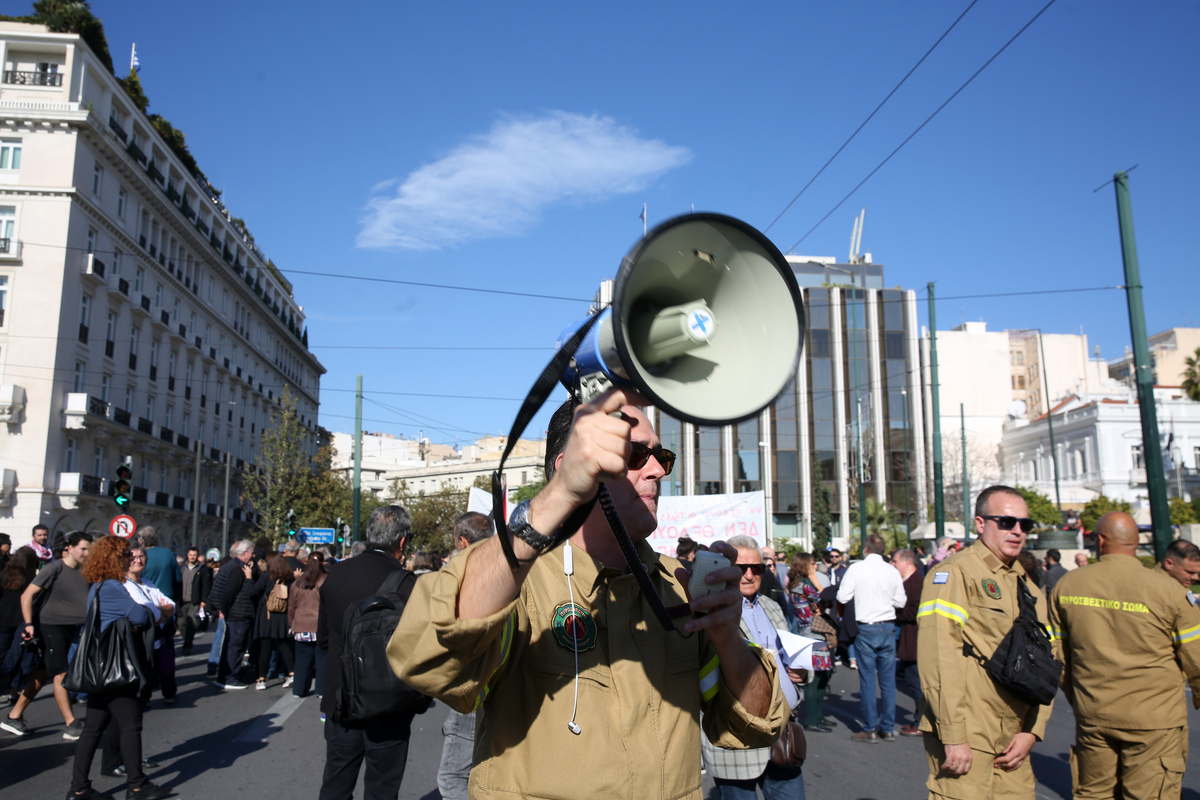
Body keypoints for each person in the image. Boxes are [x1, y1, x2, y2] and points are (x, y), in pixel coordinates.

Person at [391, 390, 787, 800]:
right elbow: (426, 657)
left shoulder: (678, 584)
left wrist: (728, 640)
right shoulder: (517, 580)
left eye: (661, 457)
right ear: (572, 467)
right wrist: (559, 497)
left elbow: (755, 725)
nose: (657, 470)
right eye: (634, 455)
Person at [1049, 511, 1200, 799]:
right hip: (1154, 719)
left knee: (1095, 793)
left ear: (1100, 540)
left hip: (1093, 714)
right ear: (1134, 543)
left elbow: (1059, 657)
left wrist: (1080, 698)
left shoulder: (1067, 586)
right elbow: (1197, 659)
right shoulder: (1169, 591)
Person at [917, 485, 1054, 799]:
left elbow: (1047, 661)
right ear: (980, 524)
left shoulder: (1028, 587)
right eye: (1006, 522)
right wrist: (953, 736)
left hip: (1014, 737)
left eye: (1025, 524)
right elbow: (939, 657)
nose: (1017, 531)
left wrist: (1033, 731)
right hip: (969, 732)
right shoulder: (955, 573)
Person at [317, 505, 419, 800]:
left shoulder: (336, 573)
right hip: (390, 702)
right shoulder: (406, 583)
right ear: (401, 542)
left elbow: (324, 640)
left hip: (341, 699)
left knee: (335, 784)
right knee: (382, 788)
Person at [702, 536, 806, 799]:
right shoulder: (711, 611)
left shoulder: (772, 606)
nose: (748, 575)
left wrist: (800, 673)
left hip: (782, 737)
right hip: (737, 742)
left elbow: (788, 652)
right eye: (740, 568)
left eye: (756, 568)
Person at [67, 535, 169, 800]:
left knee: (92, 728)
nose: (129, 559)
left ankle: (79, 788)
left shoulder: (98, 585)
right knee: (131, 725)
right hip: (116, 666)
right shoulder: (113, 586)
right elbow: (139, 616)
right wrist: (150, 612)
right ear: (114, 558)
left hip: (100, 666)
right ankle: (136, 786)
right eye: (125, 555)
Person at [4, 531, 92, 739]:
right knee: (61, 672)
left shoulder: (84, 571)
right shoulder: (55, 568)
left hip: (72, 628)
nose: (87, 553)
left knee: (42, 673)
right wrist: (28, 624)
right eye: (83, 549)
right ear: (69, 548)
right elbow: (27, 596)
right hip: (51, 627)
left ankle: (14, 716)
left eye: (89, 549)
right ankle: (71, 723)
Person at [437, 511, 494, 800]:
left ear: (461, 540)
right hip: (494, 684)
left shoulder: (463, 573)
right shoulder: (505, 568)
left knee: (453, 778)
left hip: (473, 684)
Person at [836, 533, 907, 743]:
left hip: (866, 627)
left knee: (867, 680)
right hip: (887, 626)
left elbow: (842, 596)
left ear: (865, 549)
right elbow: (901, 601)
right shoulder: (891, 570)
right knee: (888, 681)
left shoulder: (857, 568)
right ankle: (887, 727)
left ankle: (870, 728)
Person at [787, 553, 834, 733]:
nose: (815, 566)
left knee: (823, 675)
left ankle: (818, 716)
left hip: (810, 632)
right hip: (813, 633)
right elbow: (826, 599)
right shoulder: (804, 586)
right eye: (812, 563)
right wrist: (816, 580)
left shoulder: (795, 584)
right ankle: (813, 719)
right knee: (818, 678)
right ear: (804, 565)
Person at [209, 540, 260, 690]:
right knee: (235, 645)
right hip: (237, 612)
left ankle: (229, 673)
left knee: (233, 645)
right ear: (244, 553)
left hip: (235, 611)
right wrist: (224, 609)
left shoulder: (233, 566)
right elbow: (230, 592)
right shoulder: (237, 569)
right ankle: (229, 677)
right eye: (252, 552)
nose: (254, 555)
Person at [892, 548, 924, 737]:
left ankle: (921, 721)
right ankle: (919, 719)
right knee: (914, 682)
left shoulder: (916, 582)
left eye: (895, 561)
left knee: (916, 683)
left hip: (914, 641)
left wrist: (896, 611)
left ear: (906, 562)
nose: (893, 565)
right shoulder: (911, 581)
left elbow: (917, 611)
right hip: (910, 639)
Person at [0, 547, 39, 703]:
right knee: (18, 657)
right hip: (22, 621)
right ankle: (13, 691)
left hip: (3, 620)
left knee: (2, 655)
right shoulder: (31, 577)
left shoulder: (4, 574)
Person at [253, 553, 295, 690]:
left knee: (265, 648)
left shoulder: (266, 576)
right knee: (284, 644)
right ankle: (292, 672)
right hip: (282, 615)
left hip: (267, 614)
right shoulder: (289, 578)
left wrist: (248, 578)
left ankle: (261, 679)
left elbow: (252, 591)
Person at [288, 551, 326, 698]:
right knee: (322, 658)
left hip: (301, 624)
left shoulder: (298, 582)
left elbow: (291, 606)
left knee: (302, 659)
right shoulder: (324, 580)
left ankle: (299, 689)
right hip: (319, 625)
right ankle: (321, 689)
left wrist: (292, 623)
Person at [179, 546, 211, 654]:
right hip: (182, 600)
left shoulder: (201, 569)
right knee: (181, 623)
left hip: (194, 601)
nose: (192, 557)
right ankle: (186, 640)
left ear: (197, 556)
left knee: (192, 623)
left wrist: (203, 600)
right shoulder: (181, 568)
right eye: (191, 555)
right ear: (187, 555)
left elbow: (205, 585)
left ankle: (187, 646)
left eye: (195, 555)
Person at [1159, 539, 1200, 606]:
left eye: (1197, 573)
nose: (1196, 578)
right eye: (1190, 572)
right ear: (1169, 564)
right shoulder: (1156, 590)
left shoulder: (1179, 585)